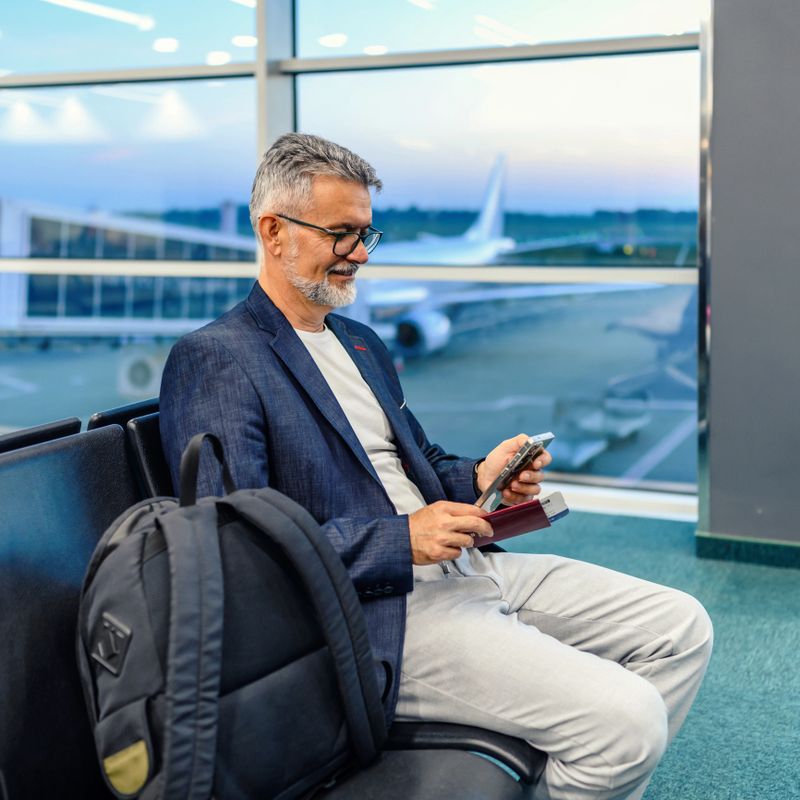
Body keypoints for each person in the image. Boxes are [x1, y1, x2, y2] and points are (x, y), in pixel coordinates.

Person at [160, 132, 712, 800]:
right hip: (377, 613)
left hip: (469, 567)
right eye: (341, 233)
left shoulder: (358, 341)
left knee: (682, 628)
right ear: (273, 231)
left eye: (367, 233)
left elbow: (416, 462)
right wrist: (402, 540)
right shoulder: (219, 357)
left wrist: (482, 477)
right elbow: (236, 542)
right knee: (627, 721)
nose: (360, 254)